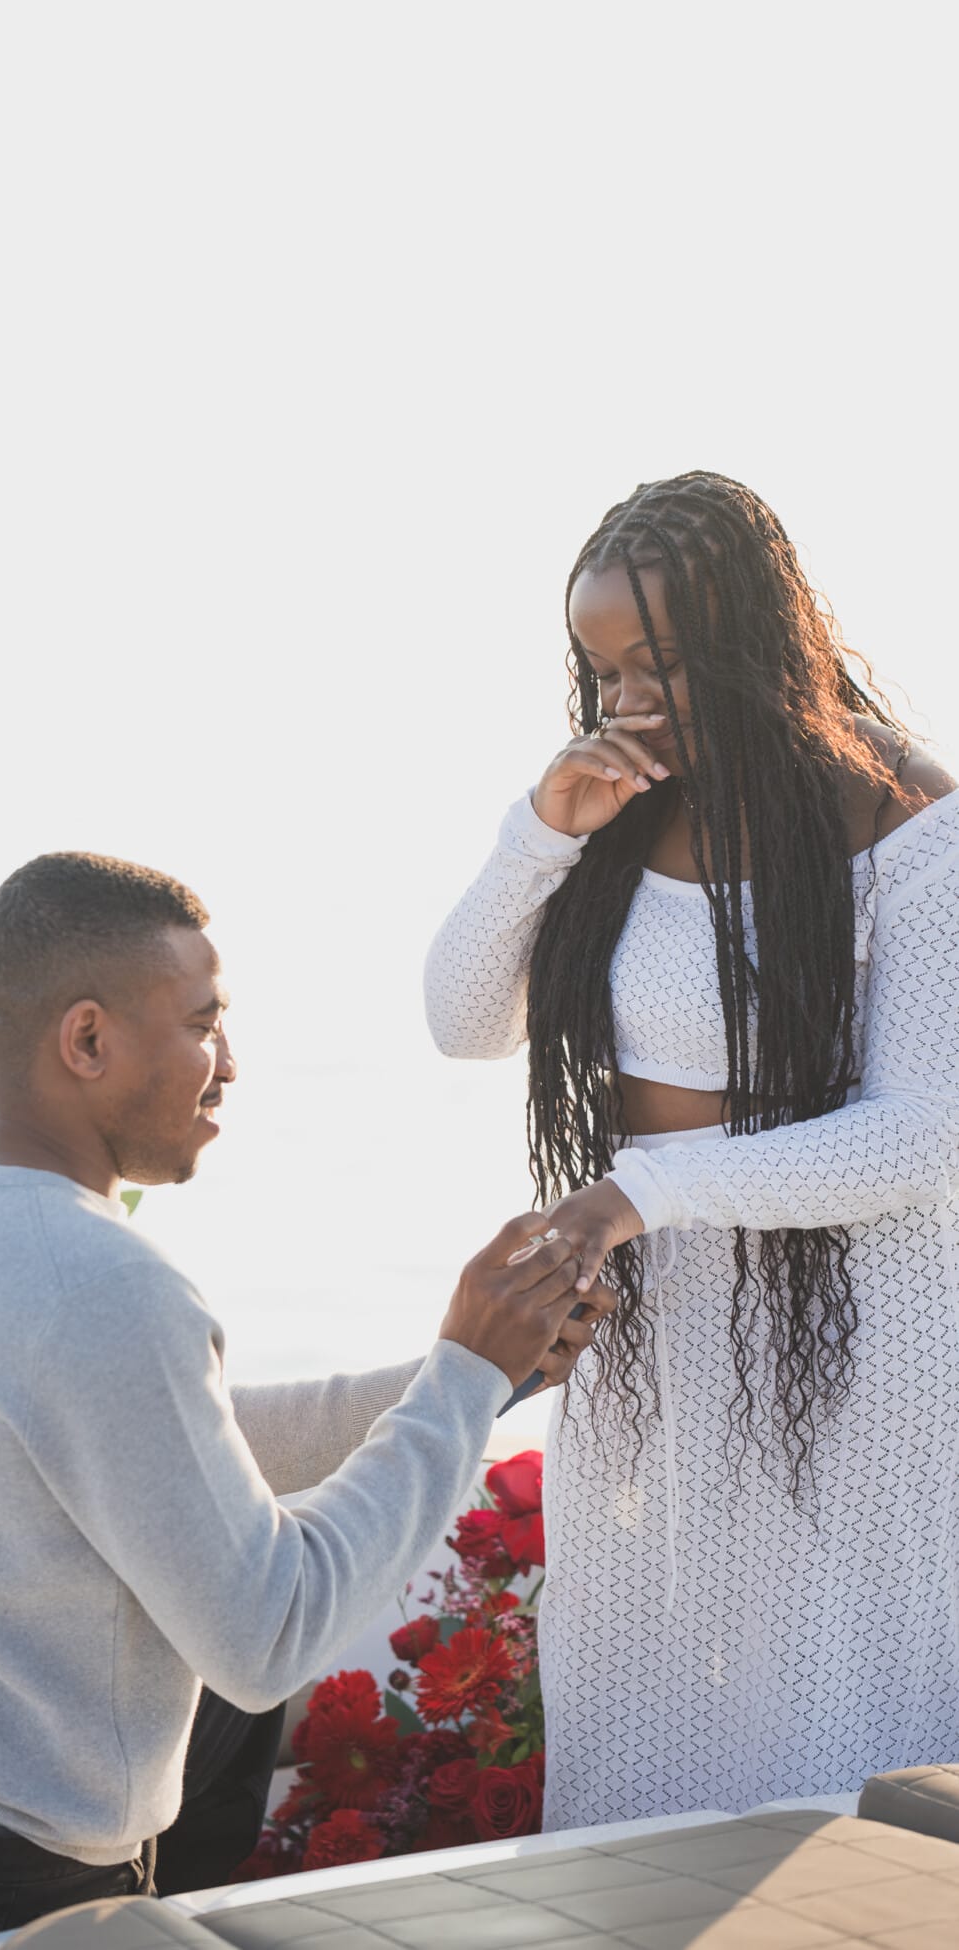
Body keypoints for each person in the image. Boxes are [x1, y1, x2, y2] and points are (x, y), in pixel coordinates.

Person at [0, 850, 612, 1948]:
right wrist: (462, 1377)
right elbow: (268, 1634)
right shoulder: (104, 1281)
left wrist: (473, 1381)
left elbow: (168, 1438)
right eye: (204, 1022)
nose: (230, 1063)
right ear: (88, 1040)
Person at [424, 471, 959, 1830]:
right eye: (601, 667)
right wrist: (543, 834)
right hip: (654, 1337)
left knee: (839, 1740)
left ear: (754, 638)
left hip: (855, 1335)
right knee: (647, 1730)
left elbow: (926, 1126)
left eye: (658, 662)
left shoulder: (907, 814)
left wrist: (636, 1190)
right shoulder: (612, 807)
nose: (628, 699)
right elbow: (461, 1019)